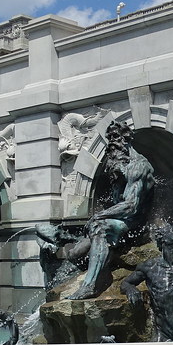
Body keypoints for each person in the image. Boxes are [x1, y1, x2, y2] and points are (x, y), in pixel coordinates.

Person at [65, 122, 156, 300]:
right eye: (109, 139)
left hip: (136, 223)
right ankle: (89, 269)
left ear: (126, 140)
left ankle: (89, 286)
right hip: (121, 221)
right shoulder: (118, 166)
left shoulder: (138, 166)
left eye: (115, 138)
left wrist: (98, 216)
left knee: (99, 227)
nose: (111, 143)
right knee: (75, 253)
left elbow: (130, 206)